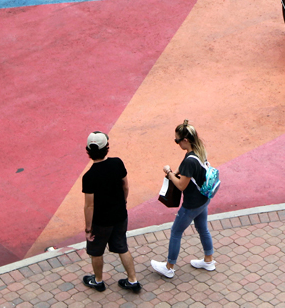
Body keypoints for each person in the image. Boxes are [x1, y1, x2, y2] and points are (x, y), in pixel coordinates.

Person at [151, 121, 216, 278]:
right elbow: (186, 170)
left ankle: (169, 267)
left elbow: (181, 185)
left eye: (177, 140)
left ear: (185, 140)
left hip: (191, 204)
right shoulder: (200, 150)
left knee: (176, 232)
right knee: (202, 229)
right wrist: (177, 171)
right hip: (203, 199)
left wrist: (169, 173)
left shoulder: (189, 160)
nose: (177, 143)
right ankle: (208, 260)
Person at [81, 132, 140, 293]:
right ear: (106, 147)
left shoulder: (89, 176)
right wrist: (123, 202)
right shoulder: (117, 163)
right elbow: (125, 186)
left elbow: (89, 206)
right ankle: (133, 280)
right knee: (122, 246)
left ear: (88, 150)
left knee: (96, 251)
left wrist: (88, 229)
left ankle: (98, 281)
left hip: (100, 222)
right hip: (120, 215)